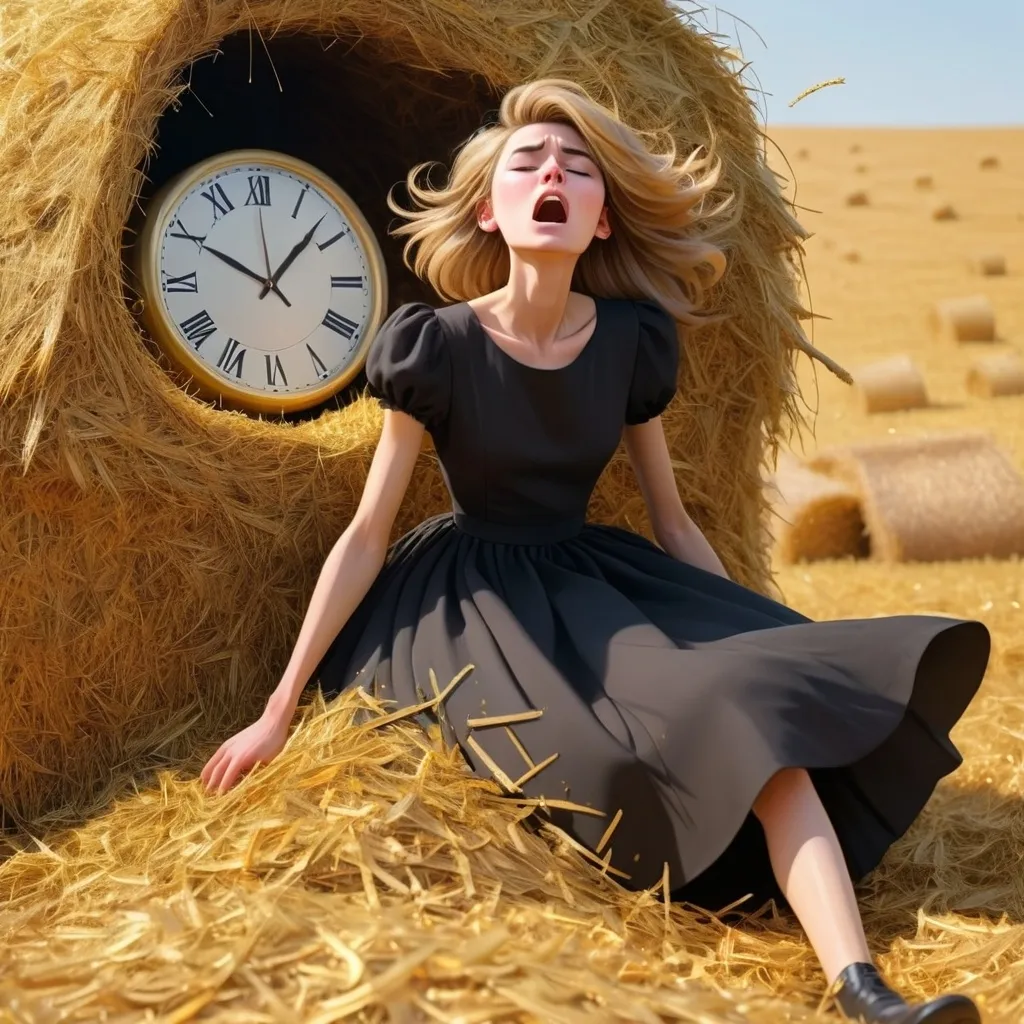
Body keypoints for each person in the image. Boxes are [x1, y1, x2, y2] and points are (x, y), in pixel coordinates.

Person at [201, 79, 990, 1023]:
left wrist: (755, 637)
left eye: (576, 170)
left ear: (601, 221)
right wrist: (277, 711)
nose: (553, 177)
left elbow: (676, 521)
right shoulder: (435, 345)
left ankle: (866, 994)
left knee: (759, 719)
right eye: (528, 165)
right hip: (466, 614)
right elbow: (367, 533)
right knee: (614, 769)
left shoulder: (631, 341)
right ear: (491, 211)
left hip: (590, 579)